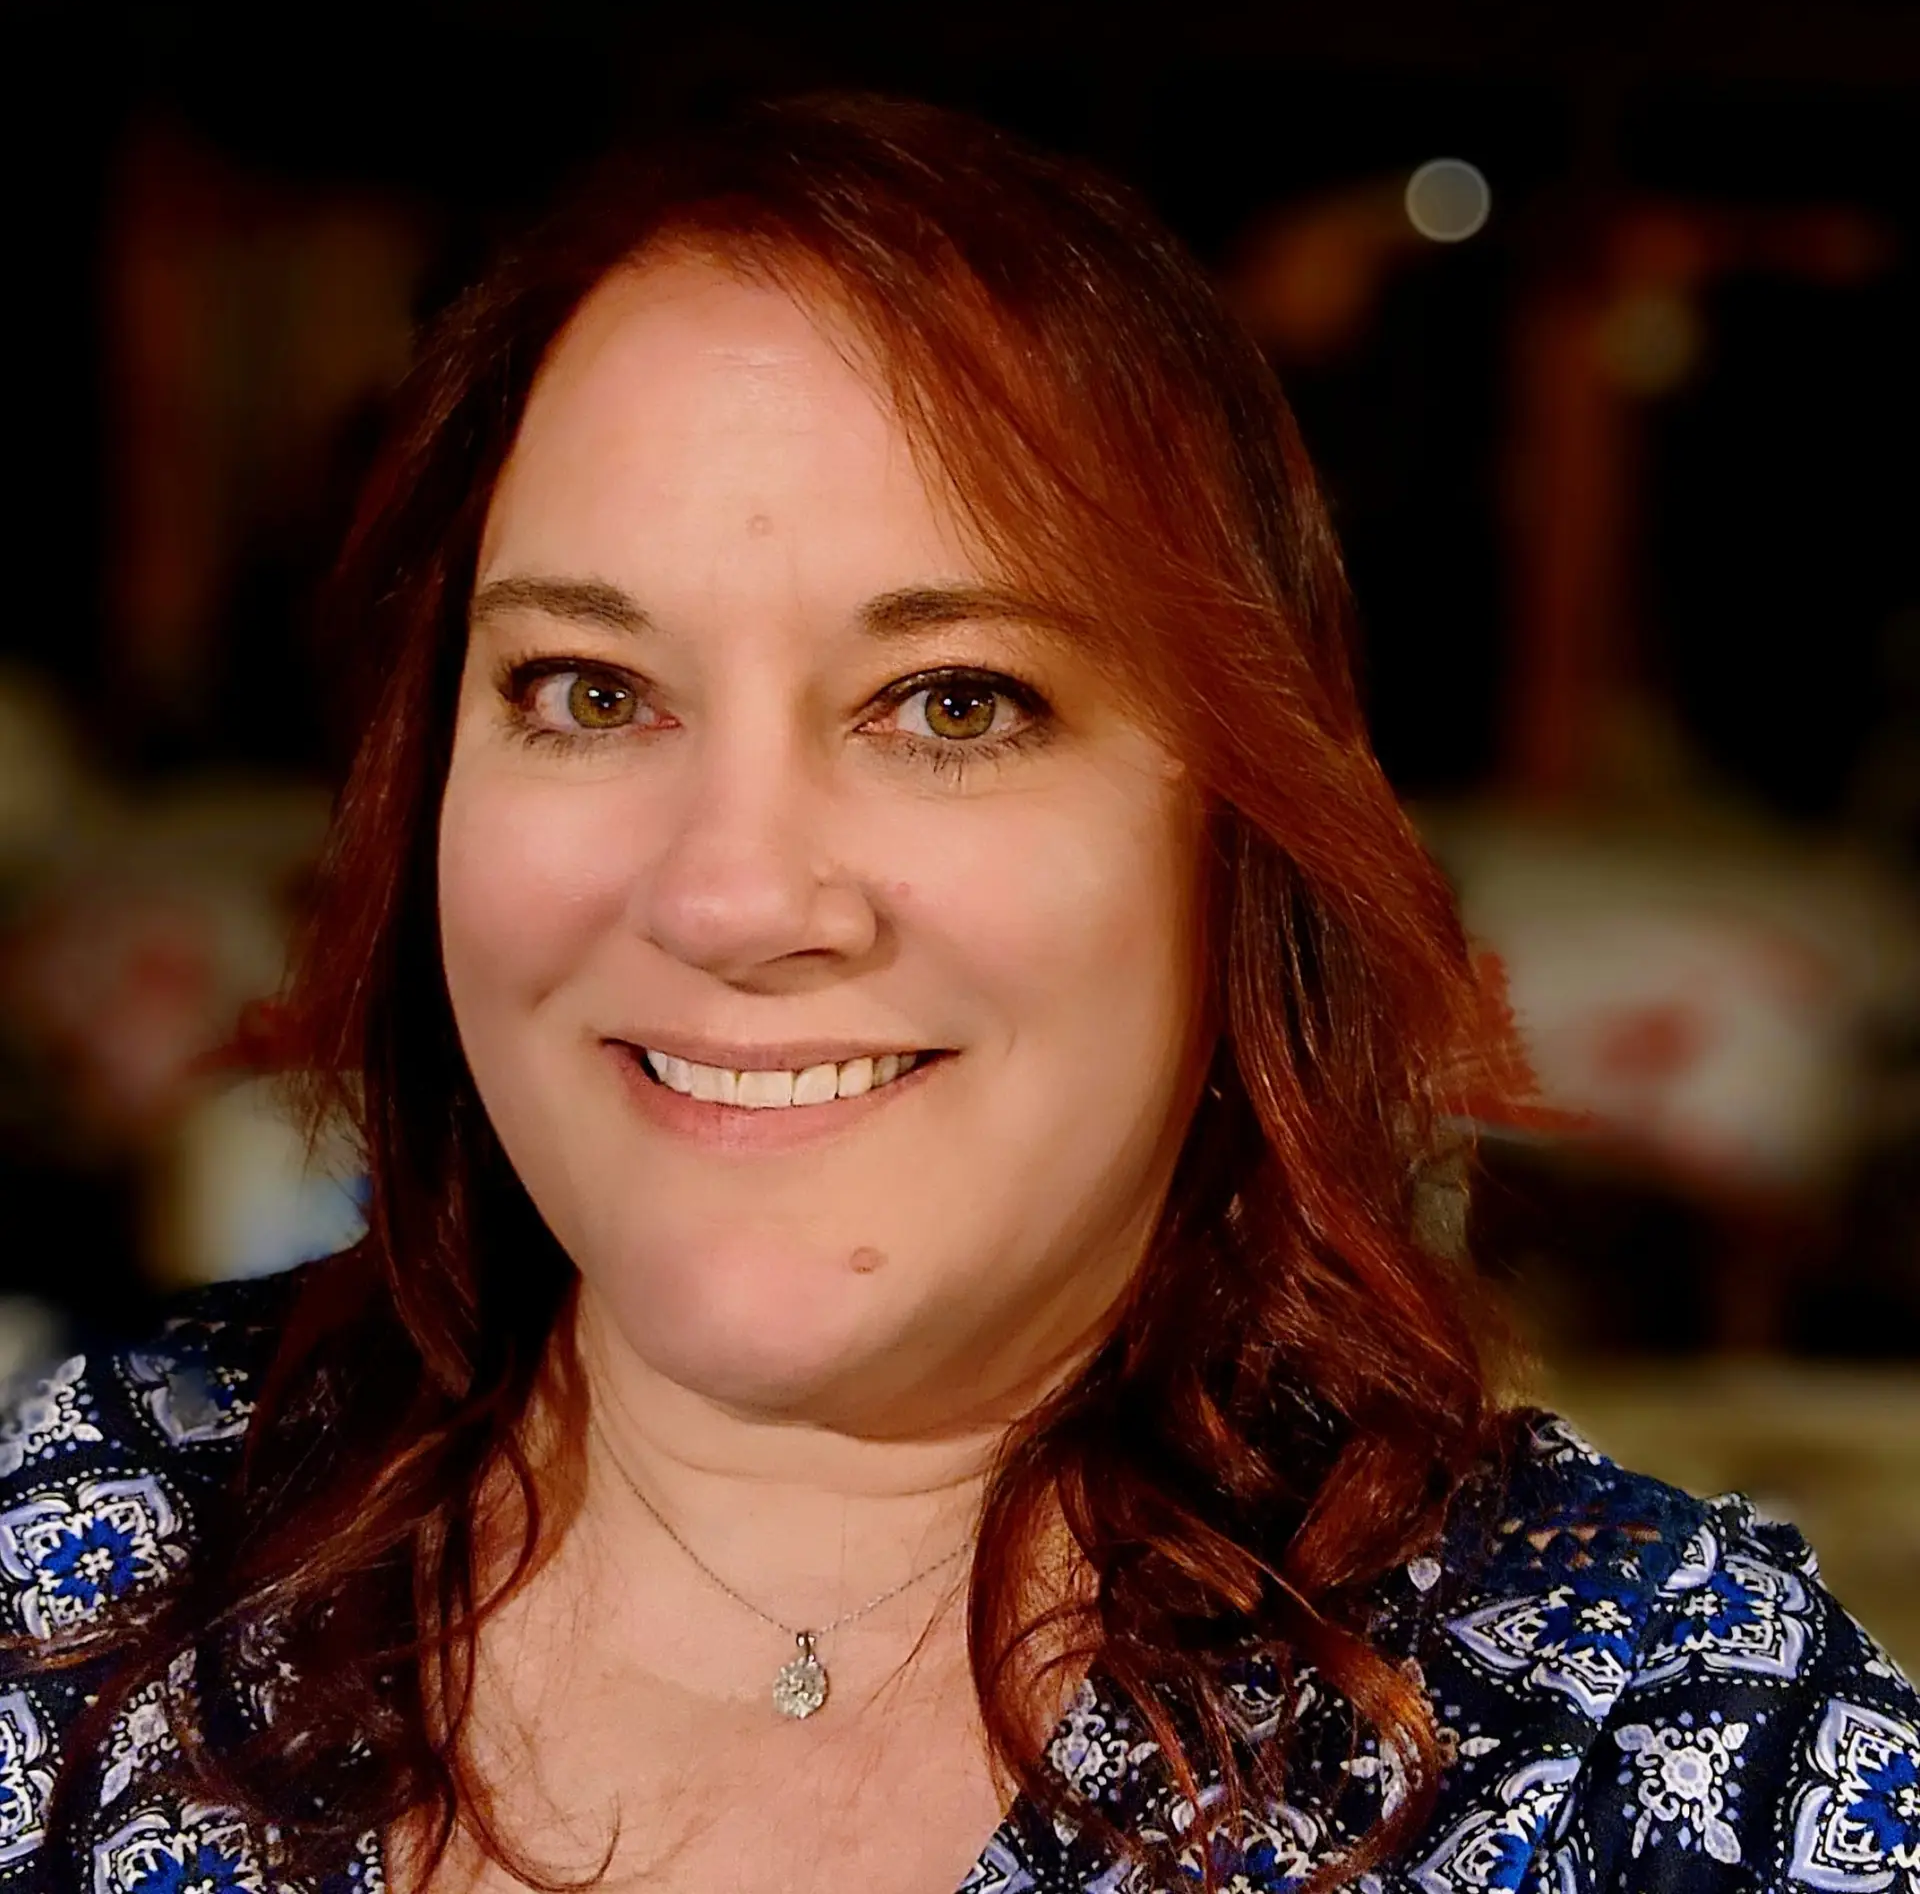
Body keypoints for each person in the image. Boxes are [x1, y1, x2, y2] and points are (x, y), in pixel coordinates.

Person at [0, 92, 1914, 1894]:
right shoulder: (92, 1549)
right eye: (589, 689)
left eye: (953, 704)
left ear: (1237, 838)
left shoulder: (1649, 1752)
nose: (734, 894)